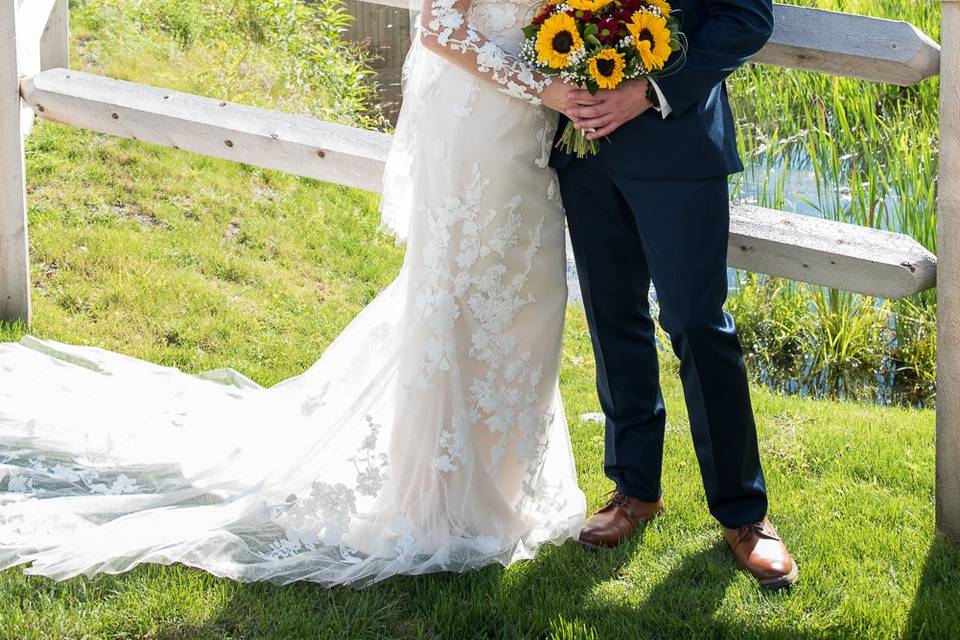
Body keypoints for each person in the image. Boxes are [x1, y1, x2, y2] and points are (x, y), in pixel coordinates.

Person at [0, 0, 591, 587]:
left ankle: (508, 483)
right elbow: (437, 27)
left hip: (534, 129)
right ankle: (440, 500)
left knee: (526, 297)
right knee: (461, 300)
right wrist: (543, 87)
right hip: (481, 124)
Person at [551, 0, 798, 589]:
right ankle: (634, 490)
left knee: (696, 323)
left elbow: (746, 18)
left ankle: (744, 515)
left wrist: (649, 90)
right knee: (613, 318)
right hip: (584, 147)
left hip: (678, 140)